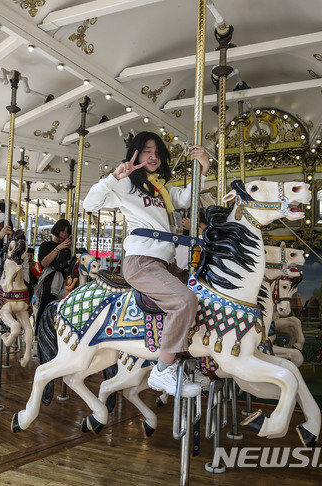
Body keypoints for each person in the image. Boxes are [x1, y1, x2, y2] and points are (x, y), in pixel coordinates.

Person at [83, 131, 211, 398]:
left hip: (165, 262)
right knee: (184, 301)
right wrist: (114, 177)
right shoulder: (125, 184)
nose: (152, 157)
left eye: (156, 152)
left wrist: (203, 167)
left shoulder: (160, 189)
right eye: (146, 151)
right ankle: (163, 370)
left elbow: (187, 198)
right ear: (135, 154)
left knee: (205, 297)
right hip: (141, 261)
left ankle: (186, 361)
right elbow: (90, 203)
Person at [33, 219, 72, 325]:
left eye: (67, 232)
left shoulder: (69, 249)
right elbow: (44, 263)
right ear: (57, 230)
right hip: (52, 274)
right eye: (62, 231)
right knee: (47, 298)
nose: (64, 234)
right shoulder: (46, 245)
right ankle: (39, 328)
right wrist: (58, 248)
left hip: (65, 275)